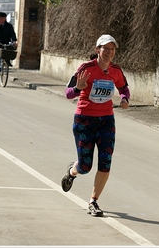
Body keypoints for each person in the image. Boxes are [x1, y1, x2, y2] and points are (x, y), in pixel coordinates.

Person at [61, 34, 130, 217]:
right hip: (84, 120)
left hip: (107, 120)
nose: (109, 52)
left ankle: (93, 201)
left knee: (105, 163)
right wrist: (78, 88)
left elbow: (124, 88)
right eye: (105, 49)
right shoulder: (86, 68)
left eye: (112, 49)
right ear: (97, 50)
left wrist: (124, 98)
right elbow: (68, 93)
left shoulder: (116, 71)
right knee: (85, 166)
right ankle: (72, 171)